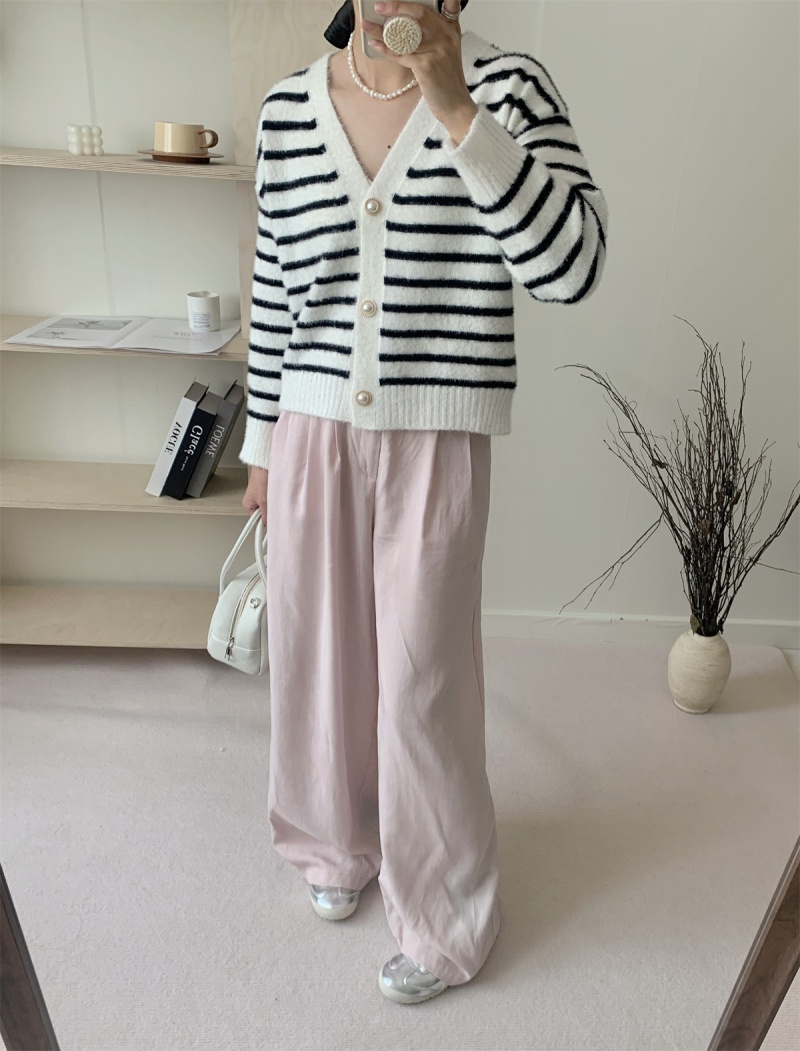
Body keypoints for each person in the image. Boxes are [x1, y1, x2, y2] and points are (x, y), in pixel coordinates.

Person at [241, 0, 609, 1004]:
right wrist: (261, 443)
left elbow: (573, 268)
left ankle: (446, 911)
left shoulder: (508, 88)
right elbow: (273, 289)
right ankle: (334, 840)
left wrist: (456, 110)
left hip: (436, 432)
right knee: (316, 661)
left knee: (421, 679)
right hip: (311, 429)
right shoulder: (286, 109)